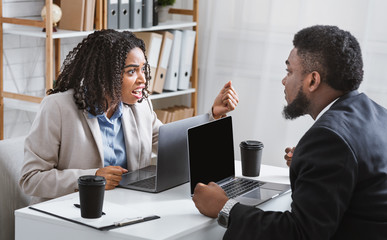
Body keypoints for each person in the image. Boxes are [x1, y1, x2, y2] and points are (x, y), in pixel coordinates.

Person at [192, 25, 387, 239]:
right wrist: (312, 168)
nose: (284, 81)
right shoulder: (378, 114)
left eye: (289, 71)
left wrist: (224, 206)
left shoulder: (329, 139)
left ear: (313, 80)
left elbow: (299, 234)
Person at [19, 29, 239, 204]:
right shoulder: (58, 108)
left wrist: (212, 115)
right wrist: (93, 177)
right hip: (72, 212)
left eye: (143, 69)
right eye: (131, 71)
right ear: (106, 74)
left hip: (126, 207)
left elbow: (169, 142)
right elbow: (30, 179)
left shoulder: (140, 106)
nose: (143, 79)